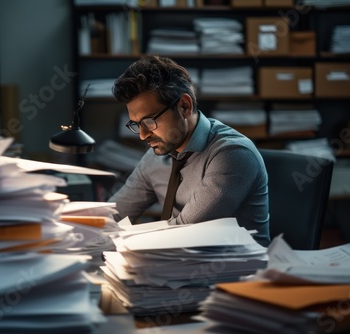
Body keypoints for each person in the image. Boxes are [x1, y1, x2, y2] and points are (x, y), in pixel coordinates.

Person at [109, 55, 270, 246]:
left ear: (184, 106)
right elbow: (115, 214)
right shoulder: (156, 154)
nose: (142, 135)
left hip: (237, 270)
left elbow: (186, 233)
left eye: (149, 121)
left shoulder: (233, 154)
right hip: (177, 265)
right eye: (136, 124)